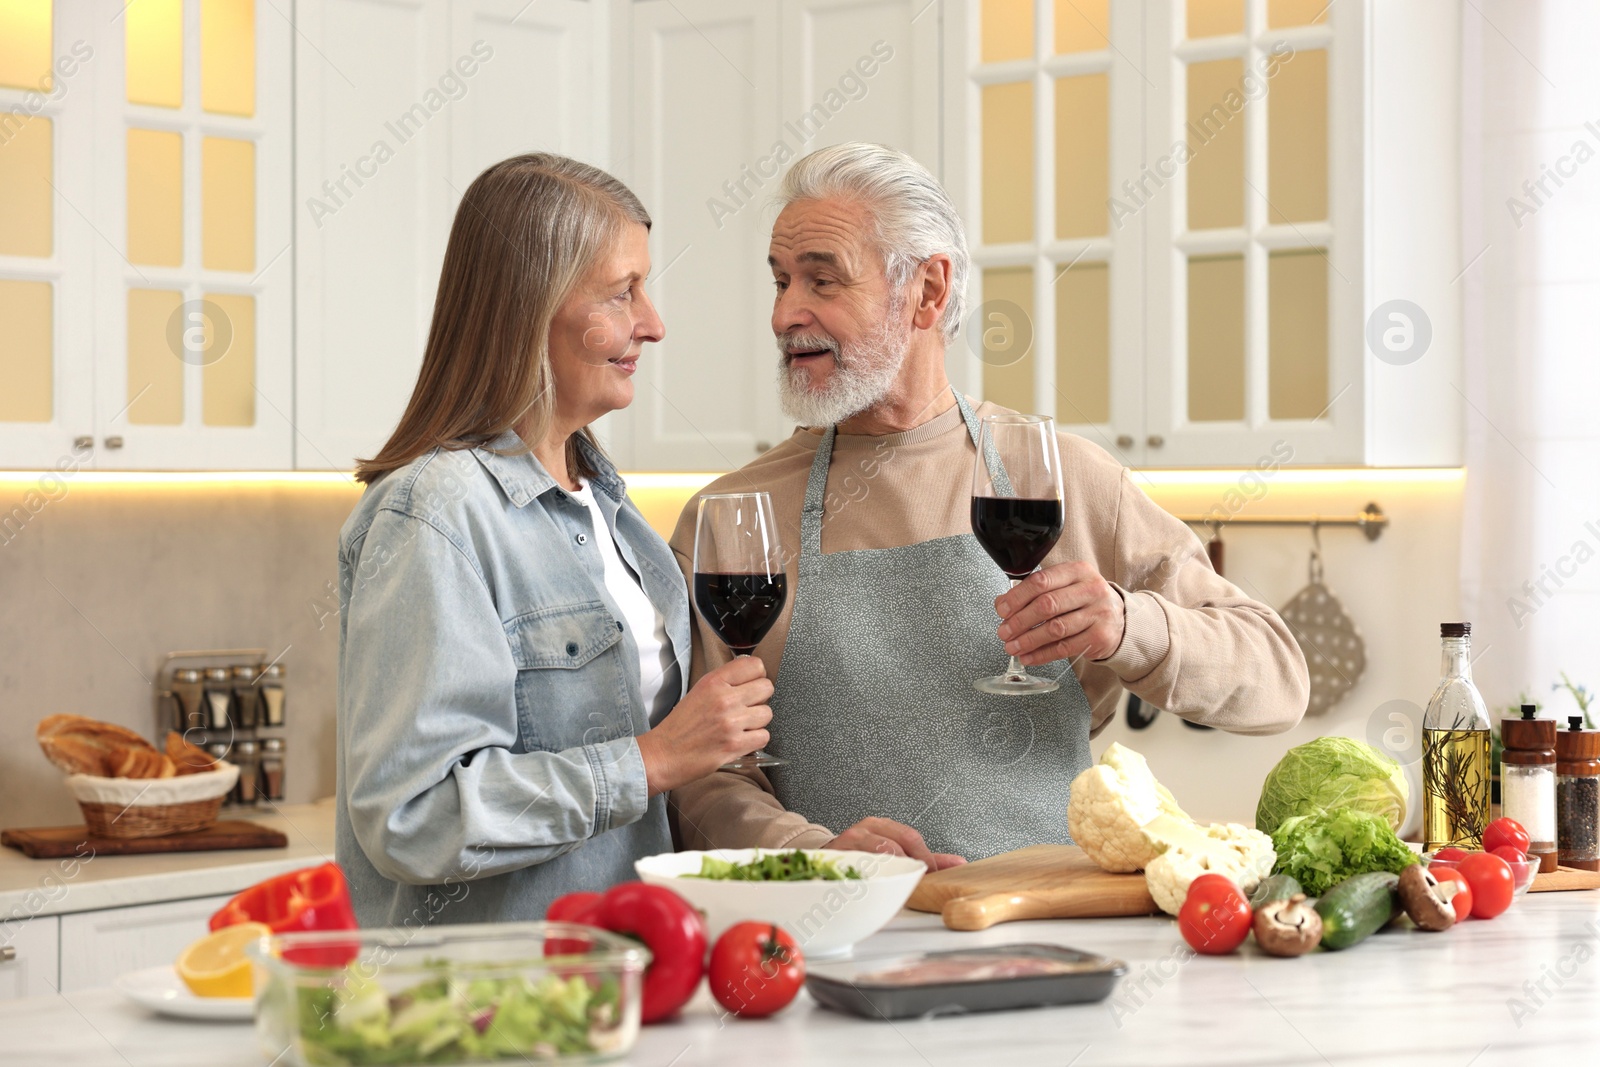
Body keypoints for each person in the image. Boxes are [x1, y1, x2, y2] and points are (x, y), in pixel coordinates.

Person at [668, 143, 1310, 865]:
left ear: (928, 291)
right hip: (838, 929)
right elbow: (702, 775)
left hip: (1050, 921)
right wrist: (812, 853)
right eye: (782, 281)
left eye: (823, 280)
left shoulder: (1060, 477)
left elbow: (1278, 681)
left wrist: (1129, 626)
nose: (787, 313)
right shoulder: (734, 516)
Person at [334, 154, 774, 926]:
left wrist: (811, 857)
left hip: (620, 979)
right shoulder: (435, 514)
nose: (654, 322)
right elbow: (411, 816)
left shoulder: (612, 509)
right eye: (621, 291)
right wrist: (653, 758)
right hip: (484, 1009)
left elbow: (657, 802)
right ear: (528, 307)